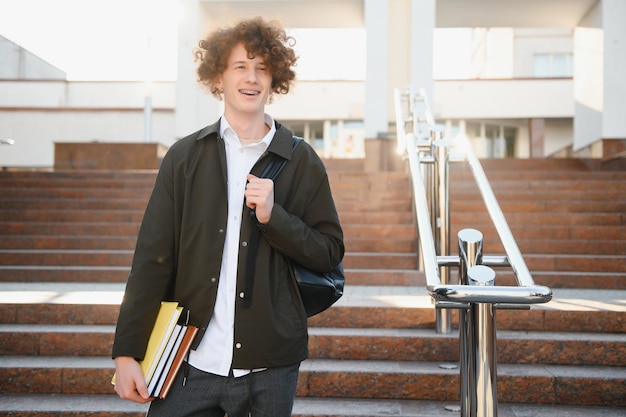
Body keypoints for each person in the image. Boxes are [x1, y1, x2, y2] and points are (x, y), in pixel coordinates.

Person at [111, 16, 344, 417]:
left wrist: (276, 218)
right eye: (240, 66)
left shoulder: (301, 160)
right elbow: (152, 258)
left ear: (275, 81)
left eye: (262, 69)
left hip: (270, 366)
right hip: (190, 361)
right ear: (218, 76)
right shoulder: (185, 157)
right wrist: (127, 352)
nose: (251, 78)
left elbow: (329, 252)